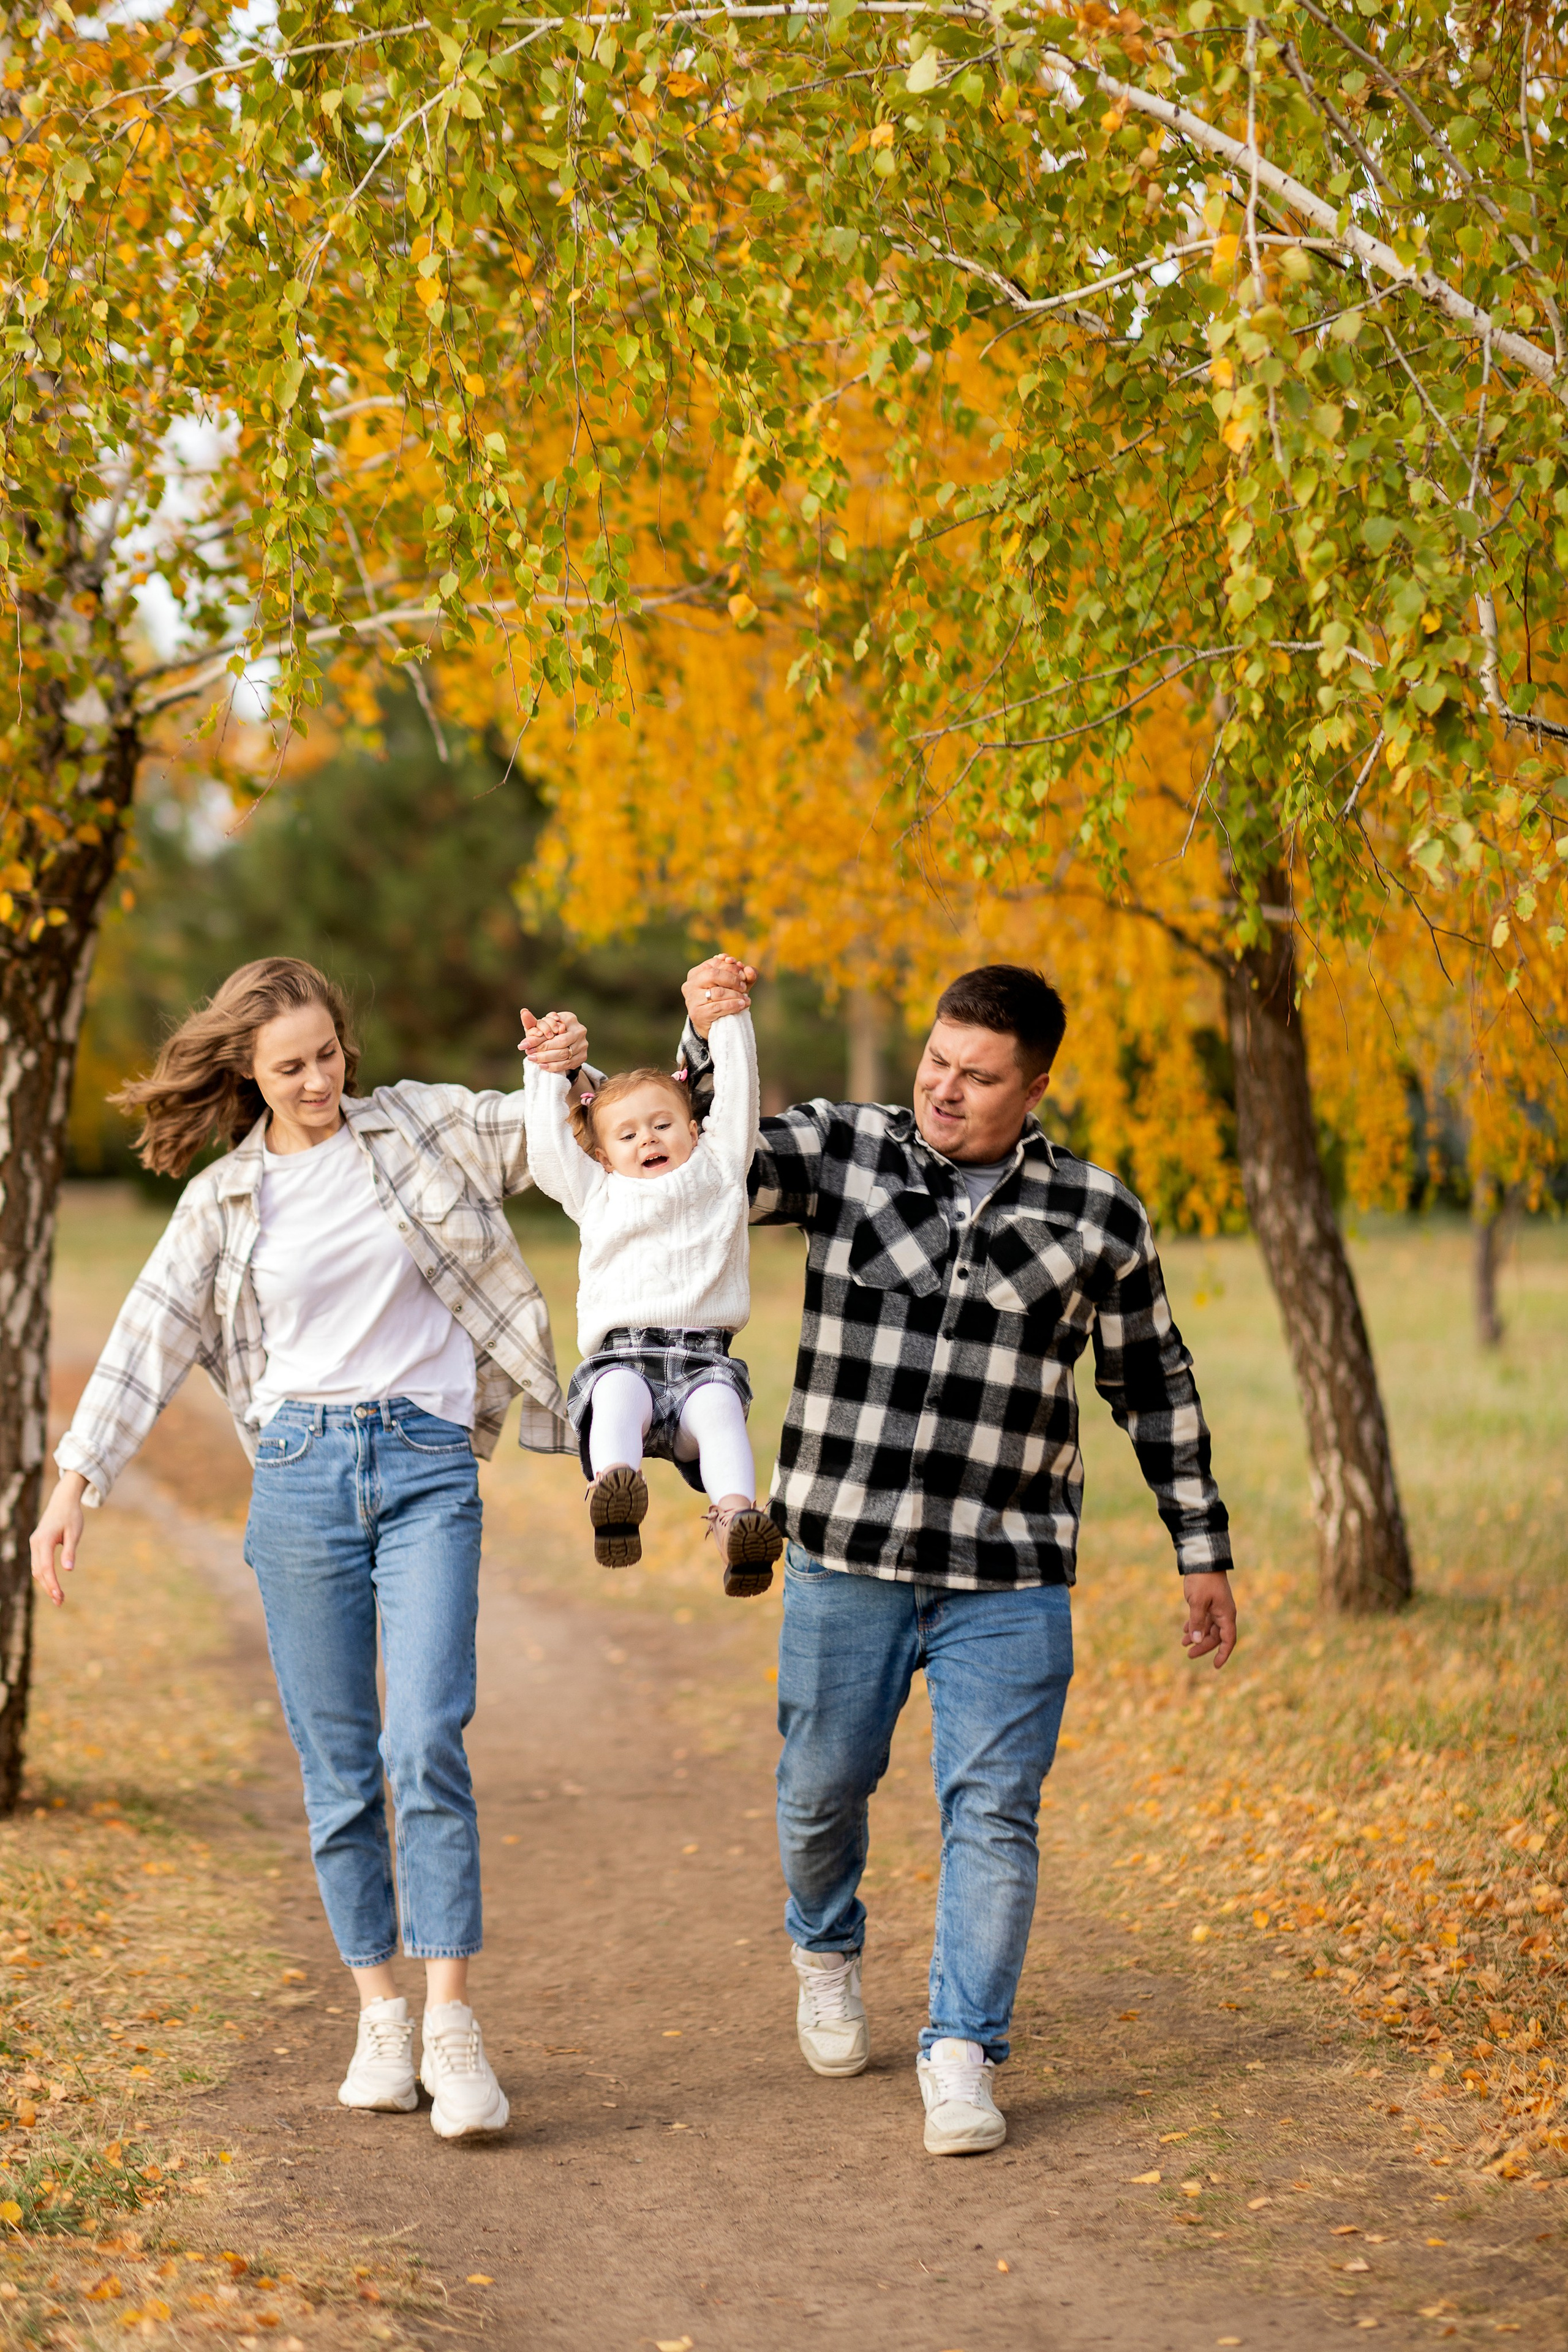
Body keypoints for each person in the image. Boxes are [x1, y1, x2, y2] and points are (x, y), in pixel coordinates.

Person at [674, 956, 1237, 2157]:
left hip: (1009, 1568)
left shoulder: (1096, 1214)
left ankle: (959, 2047)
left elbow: (1150, 1383)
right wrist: (706, 1033)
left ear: (1033, 1085)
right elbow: (706, 1160)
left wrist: (1199, 1545)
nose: (943, 1090)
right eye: (935, 1062)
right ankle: (823, 1947)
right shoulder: (846, 1149)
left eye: (977, 1078)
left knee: (993, 1810)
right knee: (820, 1786)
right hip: (845, 1553)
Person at [31, 957, 588, 2141]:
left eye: (330, 1054)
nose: (320, 1081)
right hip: (298, 1482)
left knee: (425, 1735)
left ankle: (450, 2026)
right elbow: (145, 1340)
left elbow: (548, 1132)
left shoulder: (423, 1128)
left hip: (430, 1464)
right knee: (338, 1768)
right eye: (291, 1067)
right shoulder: (225, 1203)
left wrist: (565, 1070)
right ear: (248, 1070)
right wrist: (73, 1486)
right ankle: (378, 2010)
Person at [523, 1005, 782, 1596]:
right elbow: (546, 1150)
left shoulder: (720, 1170)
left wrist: (732, 1020)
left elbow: (740, 1095)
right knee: (614, 1397)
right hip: (626, 1358)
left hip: (704, 1363)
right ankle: (614, 1493)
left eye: (662, 1124)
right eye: (628, 1133)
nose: (648, 1139)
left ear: (694, 1127)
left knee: (719, 1416)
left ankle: (736, 1522)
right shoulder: (596, 1193)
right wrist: (545, 1068)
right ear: (601, 1153)